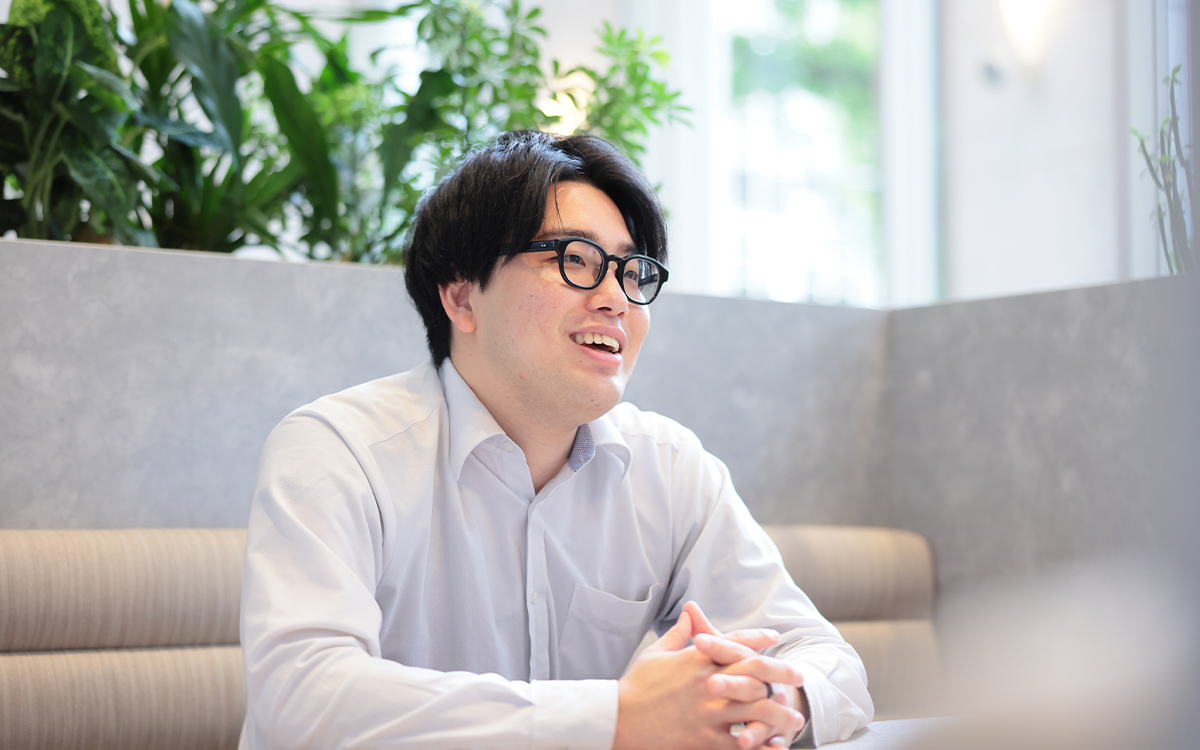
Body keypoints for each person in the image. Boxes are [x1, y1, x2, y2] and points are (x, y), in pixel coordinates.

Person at [238, 131, 873, 750]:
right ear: (461, 295)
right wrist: (616, 719)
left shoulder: (669, 467)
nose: (617, 300)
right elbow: (304, 701)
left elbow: (821, 657)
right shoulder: (338, 452)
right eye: (575, 259)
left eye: (632, 272)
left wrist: (771, 700)